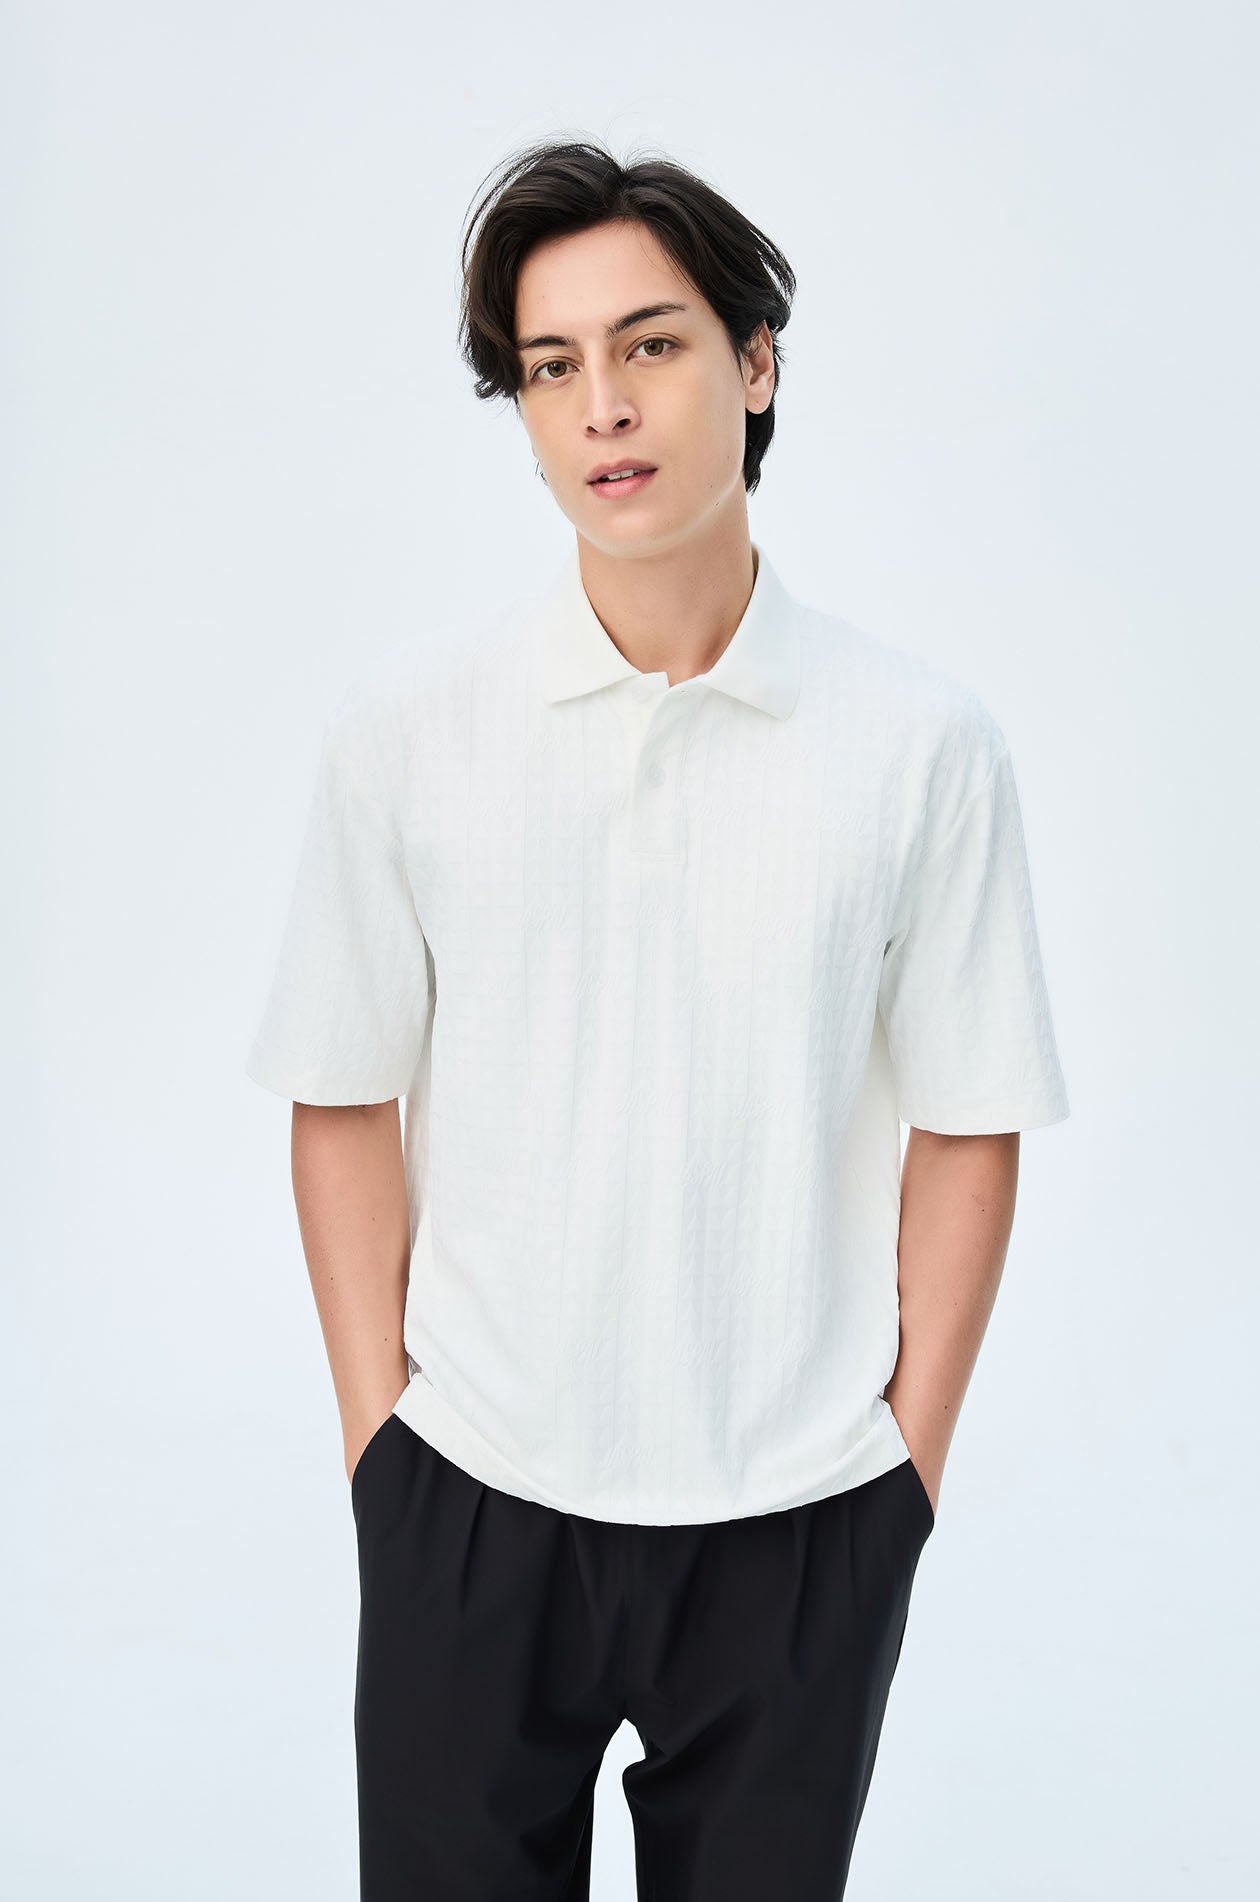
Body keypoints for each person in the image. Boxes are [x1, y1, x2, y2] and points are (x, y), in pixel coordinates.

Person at [245, 137, 1070, 1902]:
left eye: (652, 345)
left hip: (800, 1519)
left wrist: (903, 1479)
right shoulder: (411, 730)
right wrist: (384, 1450)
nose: (603, 407)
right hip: (473, 1496)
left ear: (755, 364)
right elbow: (340, 1093)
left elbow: (969, 1118)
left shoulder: (919, 746)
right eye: (552, 368)